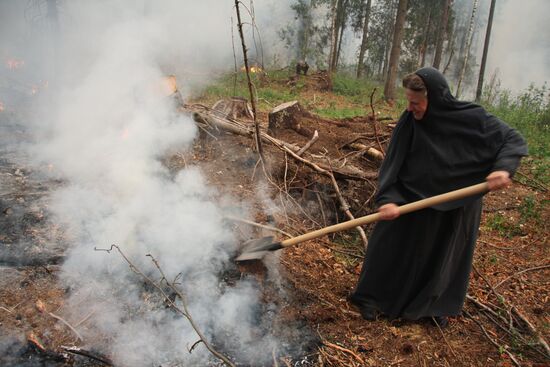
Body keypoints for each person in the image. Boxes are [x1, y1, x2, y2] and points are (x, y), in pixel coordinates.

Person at [349, 67, 527, 327]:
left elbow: (513, 139)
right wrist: (387, 197)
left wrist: (503, 168)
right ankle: (372, 299)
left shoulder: (471, 117)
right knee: (388, 243)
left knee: (442, 254)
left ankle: (430, 307)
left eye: (416, 103)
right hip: (412, 196)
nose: (410, 108)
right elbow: (393, 161)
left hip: (458, 201)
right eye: (408, 101)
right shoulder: (409, 120)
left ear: (436, 99)